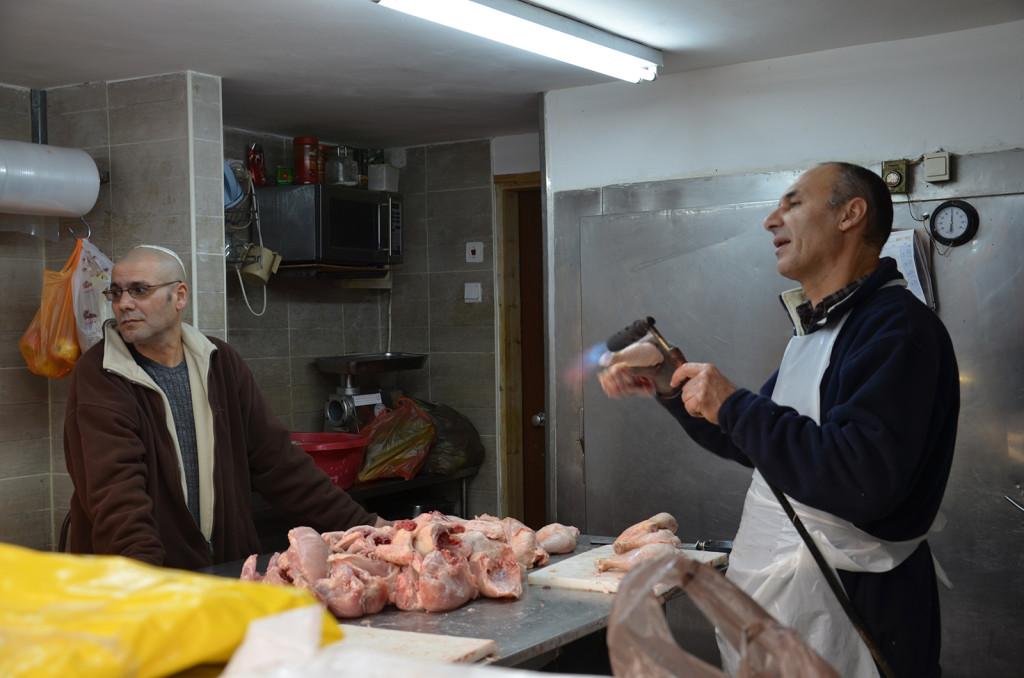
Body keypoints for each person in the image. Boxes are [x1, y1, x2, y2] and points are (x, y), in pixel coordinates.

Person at [599, 162, 959, 678]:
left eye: (792, 204)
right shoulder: (818, 331)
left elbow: (863, 480)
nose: (771, 219)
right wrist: (669, 381)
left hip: (853, 607)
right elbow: (757, 442)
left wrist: (733, 403)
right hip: (787, 602)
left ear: (850, 216)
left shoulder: (896, 330)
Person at [64, 244, 384, 570]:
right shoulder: (100, 375)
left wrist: (367, 528)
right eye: (116, 293)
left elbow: (280, 465)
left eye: (139, 290)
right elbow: (117, 499)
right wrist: (147, 586)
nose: (124, 304)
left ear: (179, 296)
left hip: (227, 571)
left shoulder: (220, 362)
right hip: (142, 586)